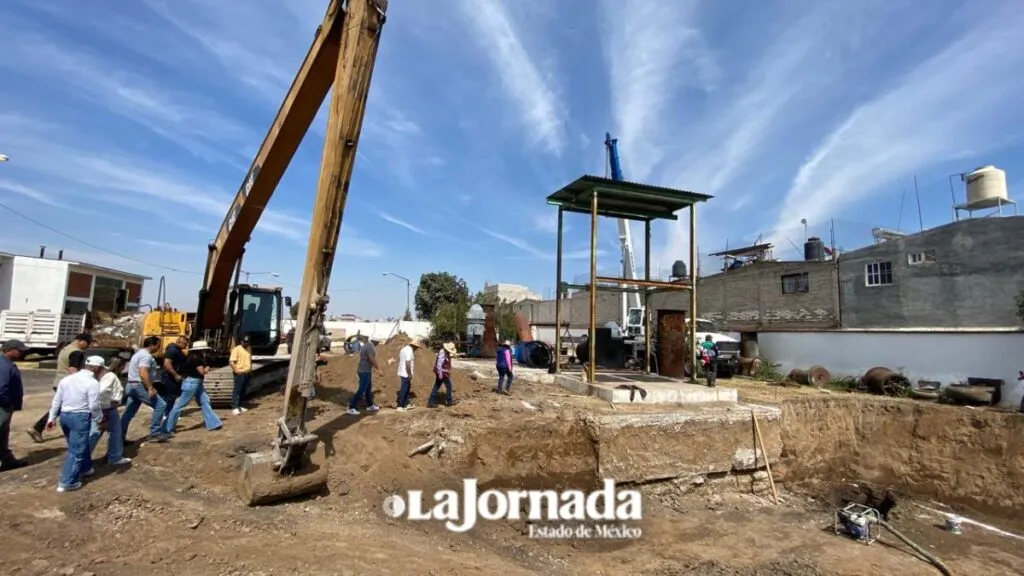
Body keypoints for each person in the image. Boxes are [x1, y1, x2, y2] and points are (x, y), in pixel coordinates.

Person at [46, 355, 104, 492]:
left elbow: (56, 401)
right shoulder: (93, 383)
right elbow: (94, 406)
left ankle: (86, 468)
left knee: (77, 446)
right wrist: (99, 418)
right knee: (76, 450)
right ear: (96, 368)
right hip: (80, 417)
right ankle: (67, 482)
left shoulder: (67, 379)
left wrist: (51, 418)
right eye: (101, 369)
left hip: (65, 416)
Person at [28, 332, 91, 442]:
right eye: (87, 343)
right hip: (68, 384)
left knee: (59, 408)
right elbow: (73, 370)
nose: (88, 345)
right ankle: (37, 428)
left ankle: (38, 428)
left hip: (59, 382)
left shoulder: (66, 348)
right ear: (80, 340)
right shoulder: (76, 352)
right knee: (61, 408)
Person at [162, 341, 223, 433]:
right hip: (193, 383)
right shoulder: (197, 359)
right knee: (179, 406)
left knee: (204, 402)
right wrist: (207, 368)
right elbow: (201, 372)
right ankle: (167, 428)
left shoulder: (191, 357)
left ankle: (214, 423)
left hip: (195, 382)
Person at [120, 336, 171, 443]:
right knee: (160, 405)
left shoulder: (138, 354)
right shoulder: (145, 356)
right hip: (139, 385)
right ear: (152, 345)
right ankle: (155, 433)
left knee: (129, 412)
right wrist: (150, 388)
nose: (158, 347)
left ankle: (119, 437)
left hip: (131, 384)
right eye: (158, 345)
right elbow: (143, 373)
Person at [88, 357, 131, 467]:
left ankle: (114, 456)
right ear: (121, 367)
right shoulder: (109, 376)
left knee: (114, 431)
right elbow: (102, 393)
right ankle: (113, 457)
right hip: (106, 408)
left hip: (105, 407)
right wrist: (104, 411)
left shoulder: (101, 374)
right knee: (97, 432)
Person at [0, 339, 30, 472]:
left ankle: (8, 461)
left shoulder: (7, 364)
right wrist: (7, 404)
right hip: (2, 407)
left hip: (5, 406)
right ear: (10, 350)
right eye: (19, 350)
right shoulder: (4, 366)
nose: (22, 353)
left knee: (2, 434)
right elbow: (1, 389)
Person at [347, 336, 381, 416]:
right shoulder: (370, 346)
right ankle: (351, 407)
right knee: (361, 390)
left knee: (368, 389)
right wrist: (379, 368)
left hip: (364, 370)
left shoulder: (364, 346)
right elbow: (371, 358)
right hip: (364, 371)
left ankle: (370, 405)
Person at [427, 342, 457, 408]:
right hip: (442, 373)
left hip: (442, 373)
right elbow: (439, 365)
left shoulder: (444, 352)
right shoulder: (442, 354)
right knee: (449, 386)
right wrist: (440, 374)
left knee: (436, 386)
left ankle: (431, 402)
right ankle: (449, 401)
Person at [395, 338, 421, 412]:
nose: (417, 349)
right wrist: (409, 374)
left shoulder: (404, 349)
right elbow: (407, 363)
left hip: (401, 371)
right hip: (405, 373)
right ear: (414, 346)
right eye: (417, 347)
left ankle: (406, 403)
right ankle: (400, 406)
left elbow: (400, 359)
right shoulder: (409, 351)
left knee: (407, 387)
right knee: (404, 388)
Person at [229, 335, 252, 416]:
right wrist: (236, 370)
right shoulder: (236, 349)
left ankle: (240, 406)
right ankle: (234, 407)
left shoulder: (249, 348)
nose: (246, 343)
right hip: (240, 373)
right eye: (244, 342)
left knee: (243, 390)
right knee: (237, 390)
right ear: (241, 341)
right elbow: (231, 361)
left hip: (247, 372)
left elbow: (249, 360)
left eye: (247, 342)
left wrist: (250, 370)